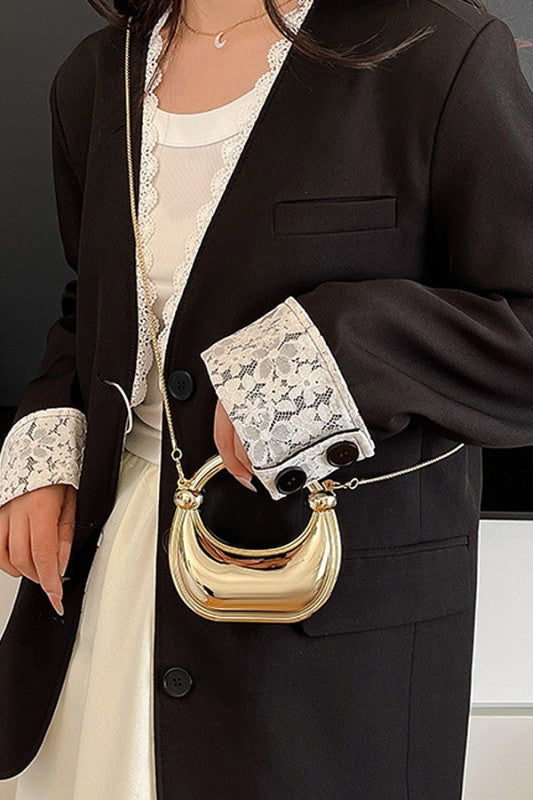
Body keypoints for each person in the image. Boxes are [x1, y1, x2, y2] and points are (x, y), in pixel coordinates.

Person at [0, 0, 532, 797]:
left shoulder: (436, 52)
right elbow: (93, 302)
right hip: (101, 597)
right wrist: (49, 438)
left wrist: (336, 352)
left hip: (324, 655)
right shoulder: (97, 74)